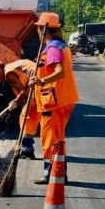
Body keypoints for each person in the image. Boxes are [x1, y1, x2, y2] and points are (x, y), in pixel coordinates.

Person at [28, 12, 79, 184]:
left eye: (39, 28)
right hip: (64, 99)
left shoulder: (53, 48)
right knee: (58, 138)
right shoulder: (61, 46)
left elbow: (59, 72)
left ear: (44, 29)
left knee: (50, 139)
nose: (38, 31)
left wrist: (40, 80)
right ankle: (59, 173)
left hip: (54, 102)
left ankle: (51, 174)